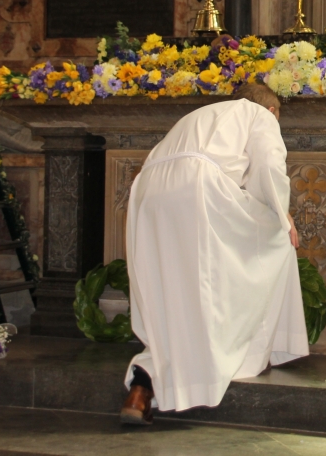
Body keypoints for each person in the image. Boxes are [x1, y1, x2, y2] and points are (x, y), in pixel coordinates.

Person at [120, 83, 307, 424]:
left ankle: (142, 387)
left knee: (170, 289)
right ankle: (245, 349)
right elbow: (268, 166)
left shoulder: (201, 115)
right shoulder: (259, 114)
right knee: (276, 240)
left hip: (147, 195)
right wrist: (283, 214)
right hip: (197, 188)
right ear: (272, 111)